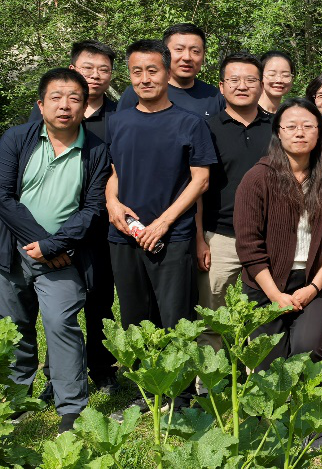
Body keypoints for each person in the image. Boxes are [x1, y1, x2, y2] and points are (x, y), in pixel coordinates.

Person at [107, 40, 216, 412]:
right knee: (134, 316)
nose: (144, 79)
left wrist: (163, 223)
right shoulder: (117, 121)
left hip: (172, 235)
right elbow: (113, 171)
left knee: (175, 317)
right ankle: (147, 392)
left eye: (152, 70)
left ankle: (180, 397)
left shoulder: (190, 123)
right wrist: (112, 203)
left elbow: (200, 180)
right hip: (125, 235)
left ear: (167, 73)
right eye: (136, 71)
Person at [0, 68, 110, 433]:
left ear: (85, 106)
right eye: (56, 98)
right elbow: (3, 196)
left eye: (74, 99)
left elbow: (93, 208)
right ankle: (18, 399)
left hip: (62, 256)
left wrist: (53, 245)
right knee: (15, 326)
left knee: (62, 323)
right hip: (12, 252)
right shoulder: (16, 138)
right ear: (40, 104)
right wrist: (42, 243)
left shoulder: (96, 149)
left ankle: (71, 408)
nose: (65, 106)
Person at [24, 40, 121, 395]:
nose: (95, 75)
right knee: (56, 308)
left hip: (98, 226)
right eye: (87, 68)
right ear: (72, 69)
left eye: (103, 69)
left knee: (99, 299)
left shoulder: (120, 115)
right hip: (55, 229)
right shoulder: (47, 113)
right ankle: (56, 375)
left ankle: (102, 368)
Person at [235, 98, 322, 370]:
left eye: (308, 126)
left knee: (307, 353)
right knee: (269, 364)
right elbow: (248, 246)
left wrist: (314, 288)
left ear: (319, 132)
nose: (299, 133)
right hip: (265, 284)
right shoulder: (257, 178)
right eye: (291, 126)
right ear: (278, 132)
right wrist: (275, 295)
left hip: (312, 281)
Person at [193, 52, 272, 351]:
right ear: (221, 86)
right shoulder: (205, 128)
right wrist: (199, 239)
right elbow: (197, 188)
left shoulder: (277, 128)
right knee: (211, 318)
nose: (242, 86)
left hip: (266, 237)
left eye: (250, 80)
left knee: (265, 318)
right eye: (234, 80)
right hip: (219, 236)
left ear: (261, 85)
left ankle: (259, 376)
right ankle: (209, 377)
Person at [118, 23, 226, 118]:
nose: (187, 57)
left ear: (203, 55)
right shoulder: (140, 91)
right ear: (165, 53)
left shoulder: (213, 96)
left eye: (195, 51)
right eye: (179, 49)